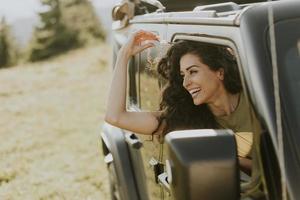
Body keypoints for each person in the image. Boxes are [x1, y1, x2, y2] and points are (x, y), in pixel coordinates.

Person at [105, 30, 260, 175]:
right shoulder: (185, 117)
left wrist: (224, 157)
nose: (185, 83)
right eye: (182, 75)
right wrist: (123, 55)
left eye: (193, 72)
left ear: (220, 72)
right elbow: (115, 117)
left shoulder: (258, 101)